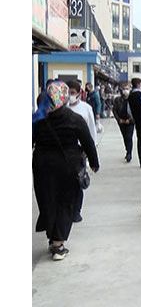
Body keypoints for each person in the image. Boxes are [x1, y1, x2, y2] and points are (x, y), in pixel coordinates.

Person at [33, 81, 99, 261]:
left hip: (42, 166)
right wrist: (94, 162)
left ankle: (53, 237)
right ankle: (58, 244)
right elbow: (88, 142)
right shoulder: (73, 119)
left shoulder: (37, 118)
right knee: (66, 203)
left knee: (48, 201)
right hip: (68, 166)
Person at [66, 80, 98, 223]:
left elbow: (91, 130)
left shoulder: (86, 108)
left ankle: (76, 210)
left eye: (73, 93)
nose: (70, 96)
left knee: (78, 180)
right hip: (65, 150)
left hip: (80, 150)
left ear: (79, 93)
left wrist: (92, 152)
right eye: (68, 93)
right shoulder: (61, 108)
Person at [112, 83, 135, 162]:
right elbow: (114, 110)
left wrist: (131, 119)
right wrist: (119, 119)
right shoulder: (117, 100)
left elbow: (136, 111)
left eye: (127, 89)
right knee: (125, 137)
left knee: (129, 137)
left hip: (130, 121)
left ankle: (129, 153)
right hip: (121, 121)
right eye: (124, 89)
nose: (125, 90)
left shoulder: (132, 99)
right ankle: (127, 149)